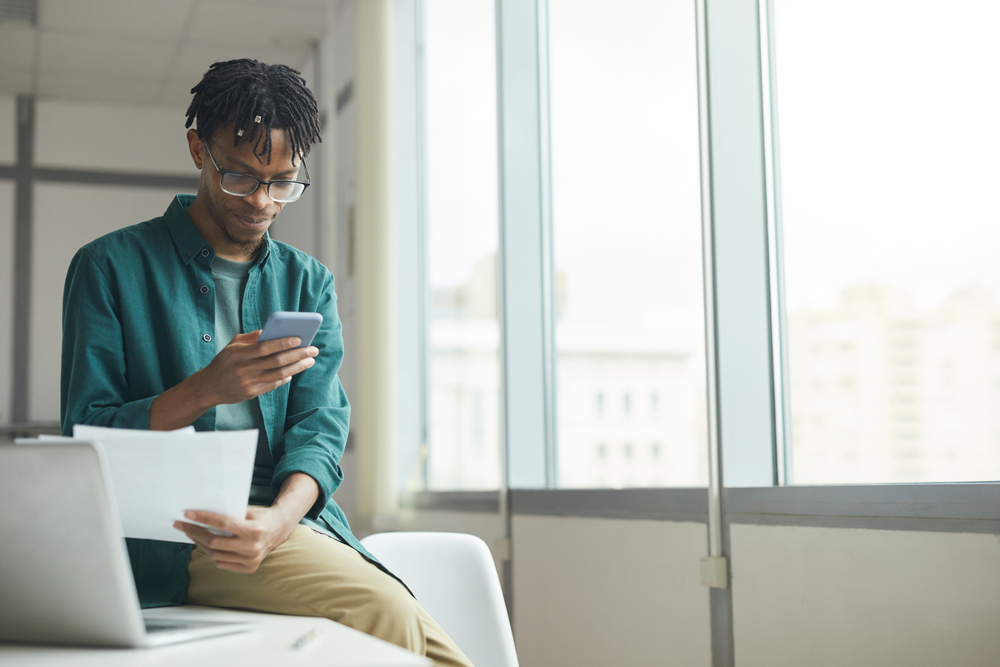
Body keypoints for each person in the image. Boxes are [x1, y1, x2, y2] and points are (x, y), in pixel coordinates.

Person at [60, 58, 472, 667]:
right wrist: (205, 389)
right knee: (387, 614)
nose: (262, 202)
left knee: (449, 655)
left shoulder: (309, 283)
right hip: (182, 532)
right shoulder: (109, 267)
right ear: (198, 150)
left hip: (287, 519)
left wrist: (279, 521)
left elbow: (319, 431)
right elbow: (84, 436)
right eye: (241, 177)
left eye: (282, 182)